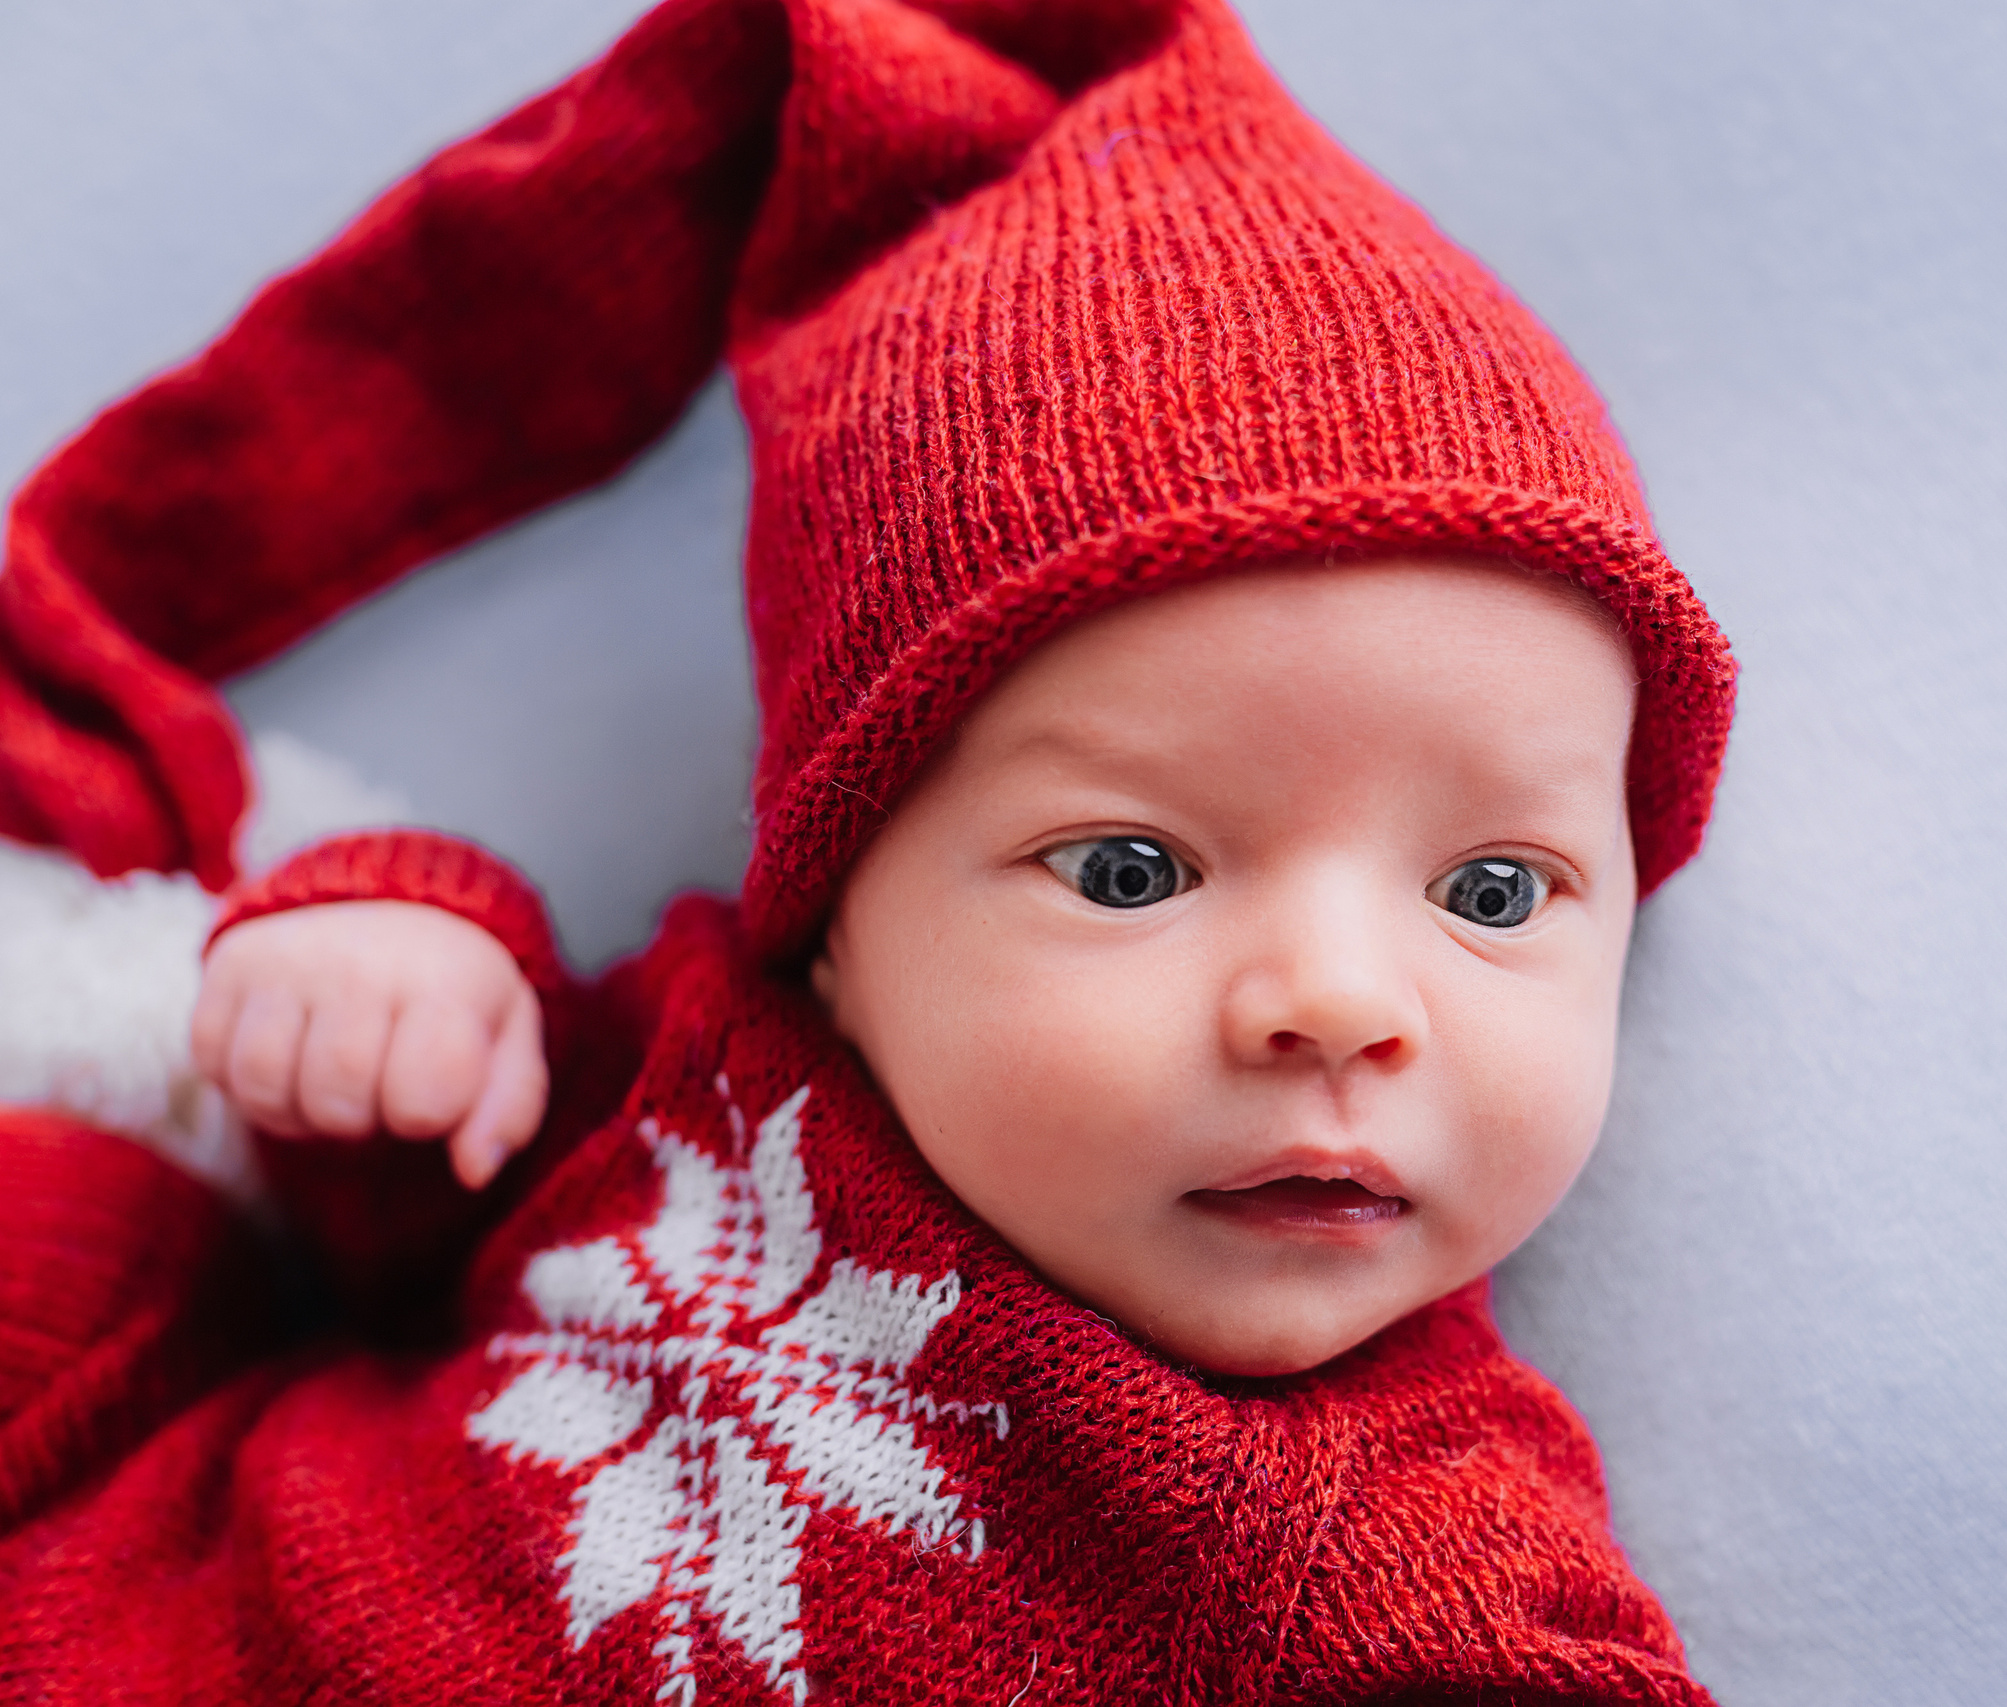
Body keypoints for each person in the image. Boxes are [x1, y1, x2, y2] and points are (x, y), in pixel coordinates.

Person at [0, 0, 1735, 1699]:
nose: (1343, 1003)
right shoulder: (723, 1069)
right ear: (834, 923)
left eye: (1491, 893)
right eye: (1130, 872)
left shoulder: (1383, 1550)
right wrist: (399, 967)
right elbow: (391, 1216)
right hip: (137, 1560)